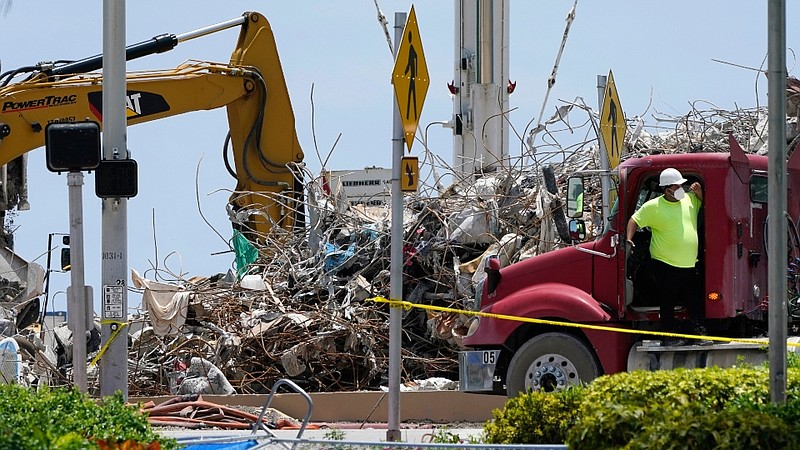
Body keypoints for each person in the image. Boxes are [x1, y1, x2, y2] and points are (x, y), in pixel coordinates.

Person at [625, 167, 709, 345]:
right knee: (668, 300)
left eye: (681, 185)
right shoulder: (653, 207)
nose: (680, 189)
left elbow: (706, 203)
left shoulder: (689, 200)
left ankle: (700, 333)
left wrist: (699, 192)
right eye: (676, 186)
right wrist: (629, 240)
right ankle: (669, 336)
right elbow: (634, 220)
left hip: (688, 263)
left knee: (693, 299)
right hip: (665, 263)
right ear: (666, 189)